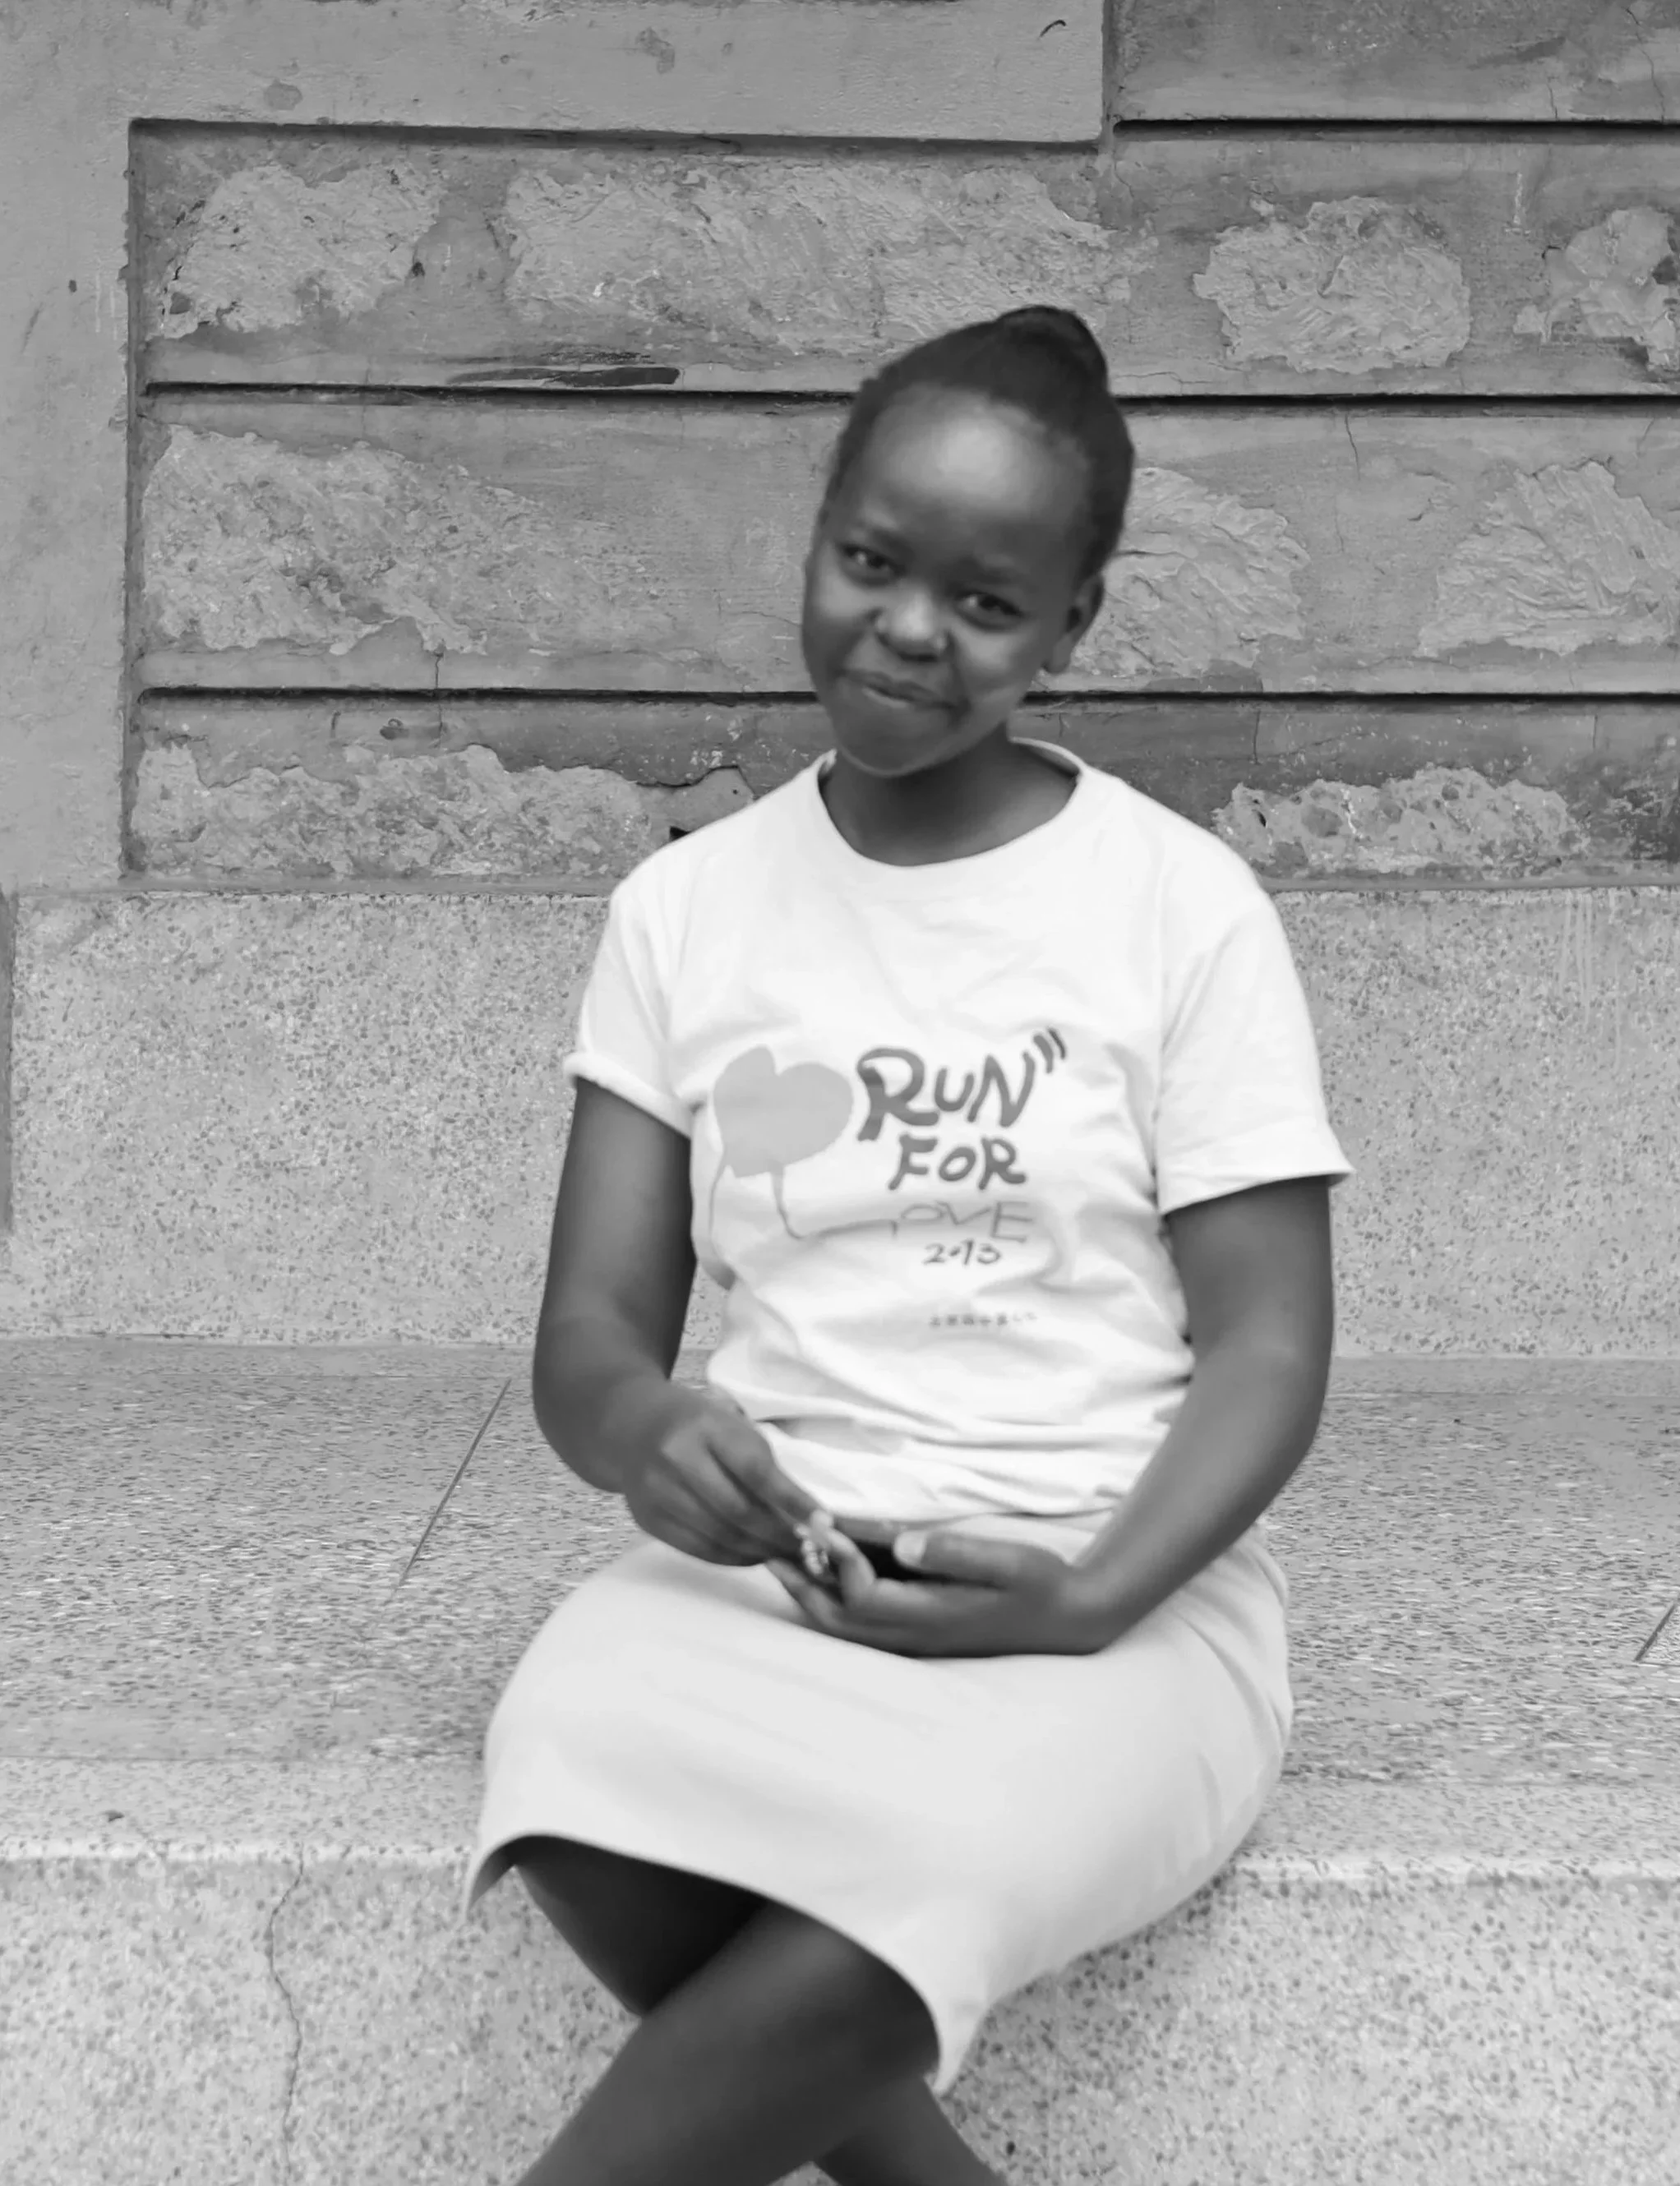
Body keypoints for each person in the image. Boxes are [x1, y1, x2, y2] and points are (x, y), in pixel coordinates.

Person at [462, 305, 1351, 2186]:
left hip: (1117, 1587)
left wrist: (1090, 1596)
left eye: (987, 601)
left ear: (1071, 627)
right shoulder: (685, 911)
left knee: (917, 1876)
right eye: (871, 562)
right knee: (564, 1787)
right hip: (779, 1574)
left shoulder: (1177, 908)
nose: (911, 629)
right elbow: (591, 1334)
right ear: (817, 538)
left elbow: (1271, 1346)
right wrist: (648, 1431)